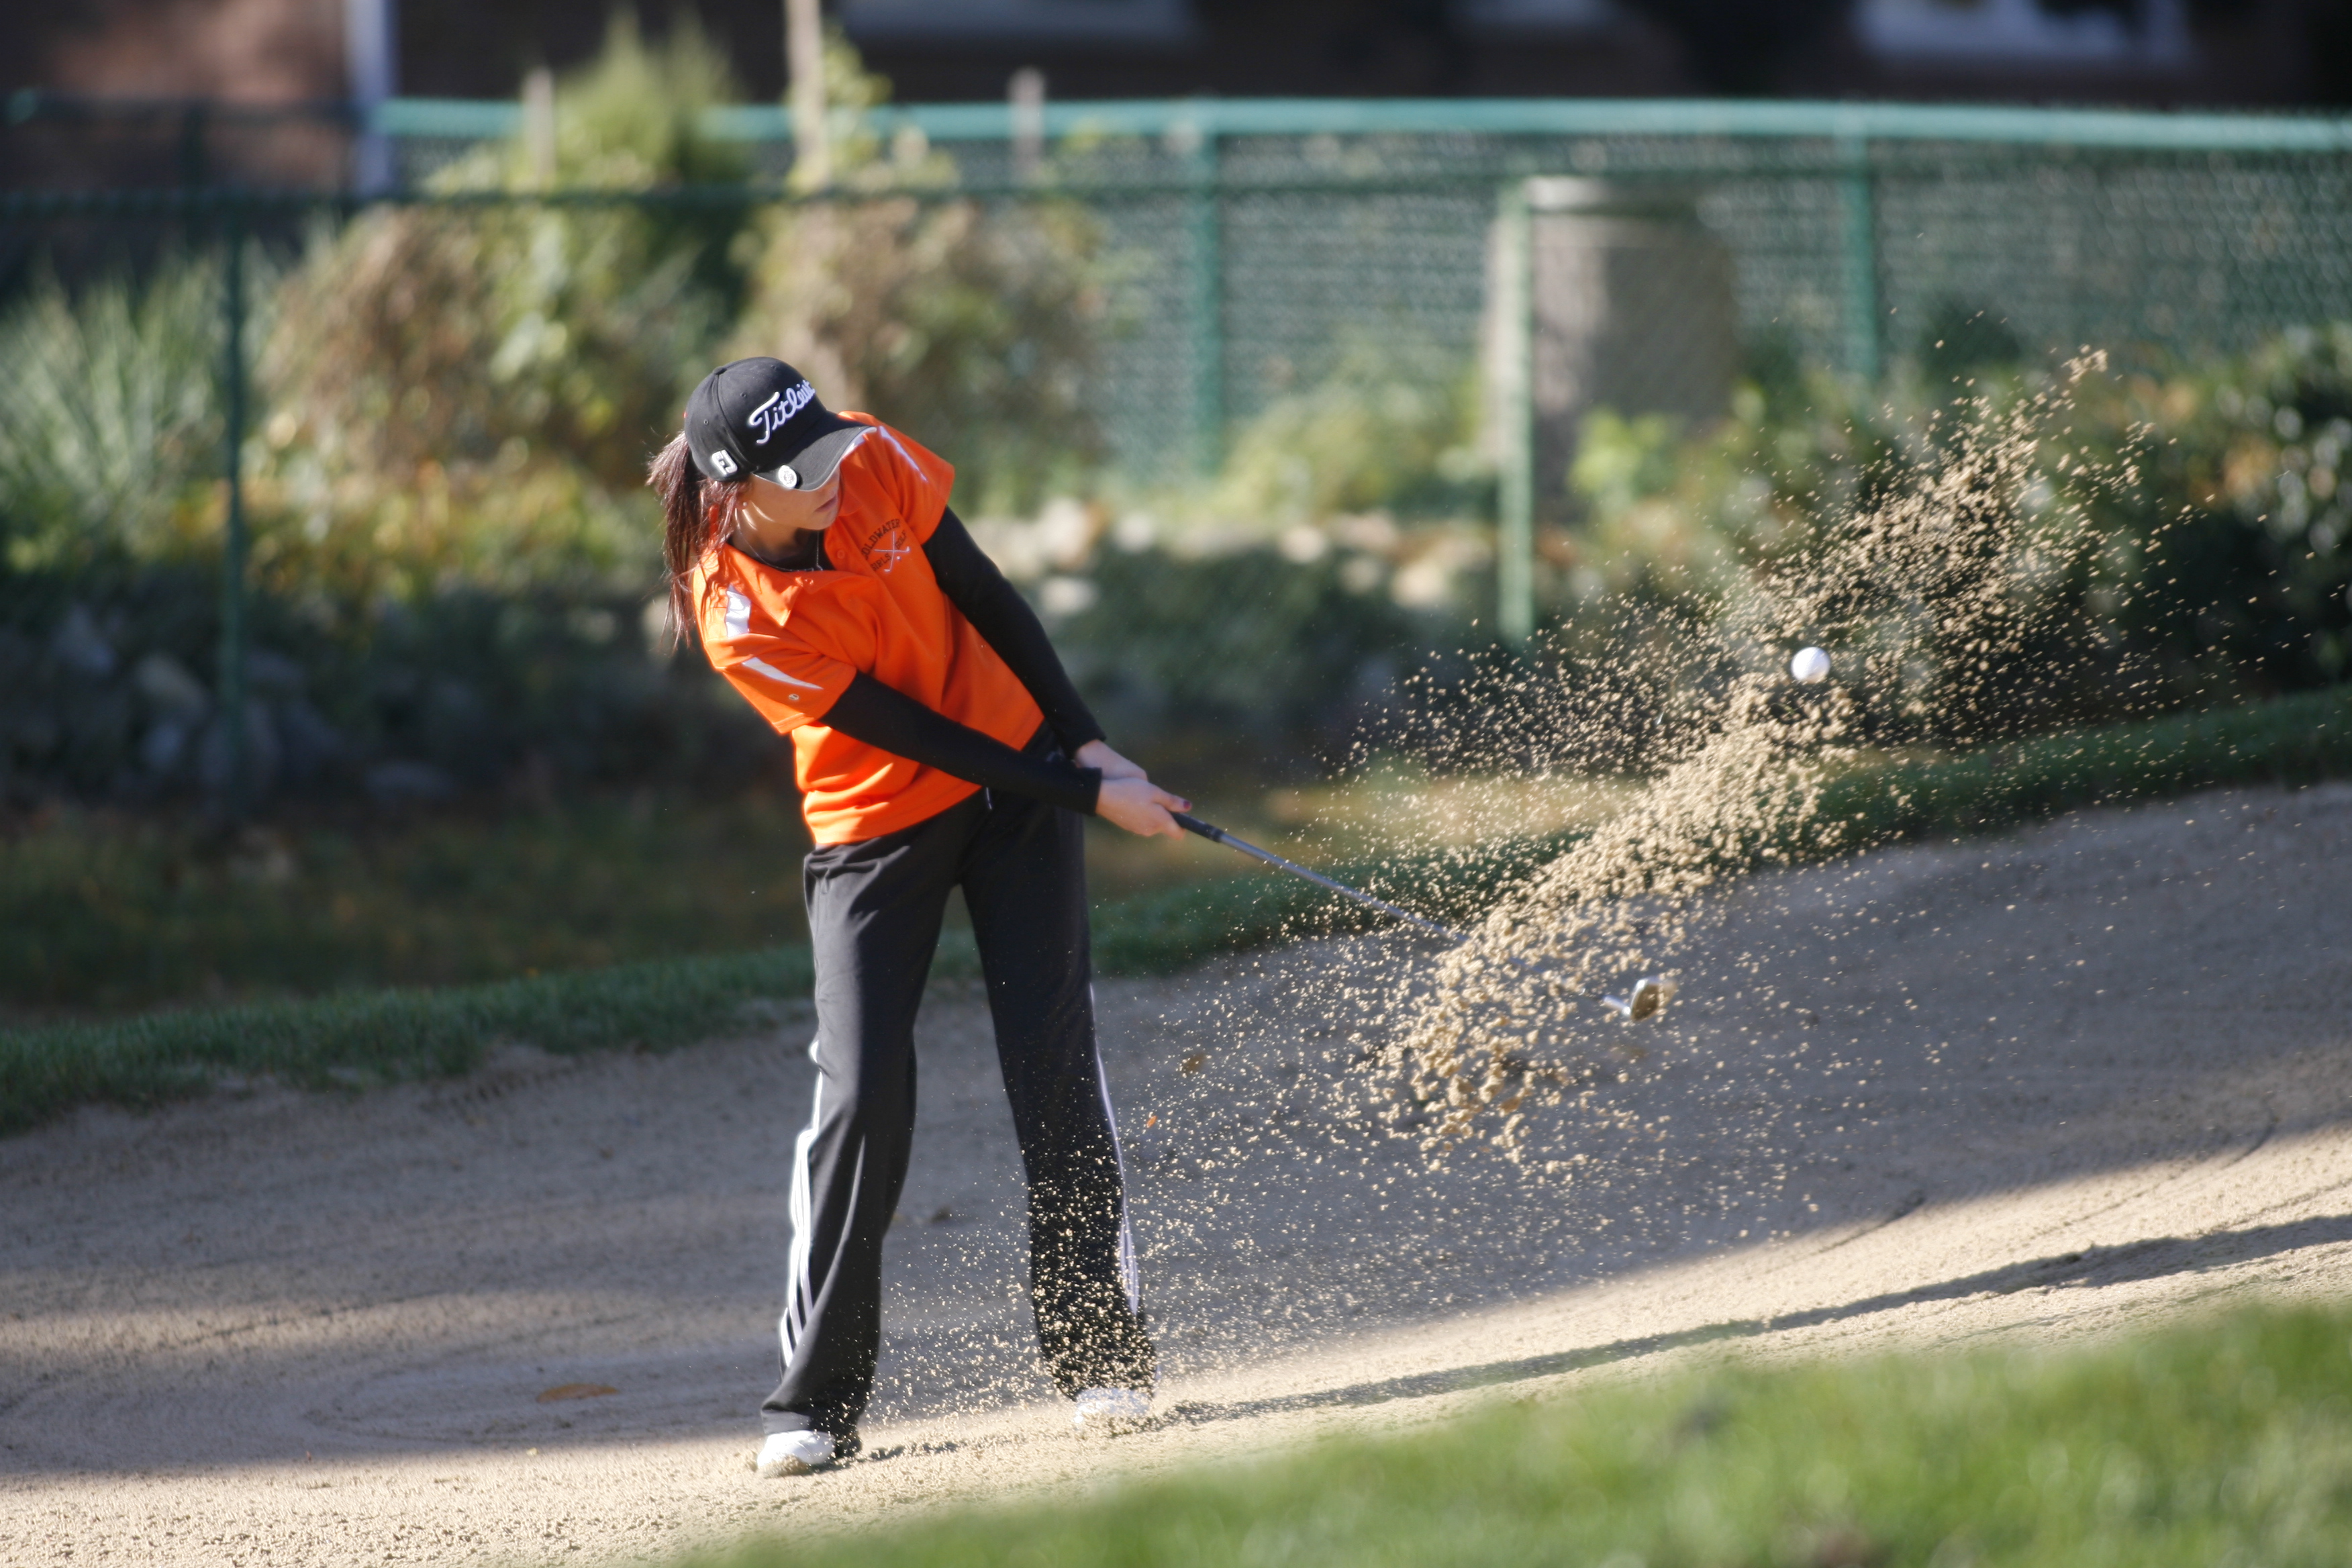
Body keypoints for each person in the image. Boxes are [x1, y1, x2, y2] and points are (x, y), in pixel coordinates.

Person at [647, 358, 1191, 1479]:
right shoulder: (734, 609)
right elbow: (902, 731)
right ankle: (815, 1402)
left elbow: (990, 597)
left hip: (1018, 787)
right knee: (861, 1093)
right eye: (801, 475)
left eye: (828, 451)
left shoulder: (876, 459)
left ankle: (1101, 1355)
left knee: (1052, 1059)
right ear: (736, 490)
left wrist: (1083, 742)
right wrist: (1086, 795)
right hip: (872, 821)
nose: (830, 481)